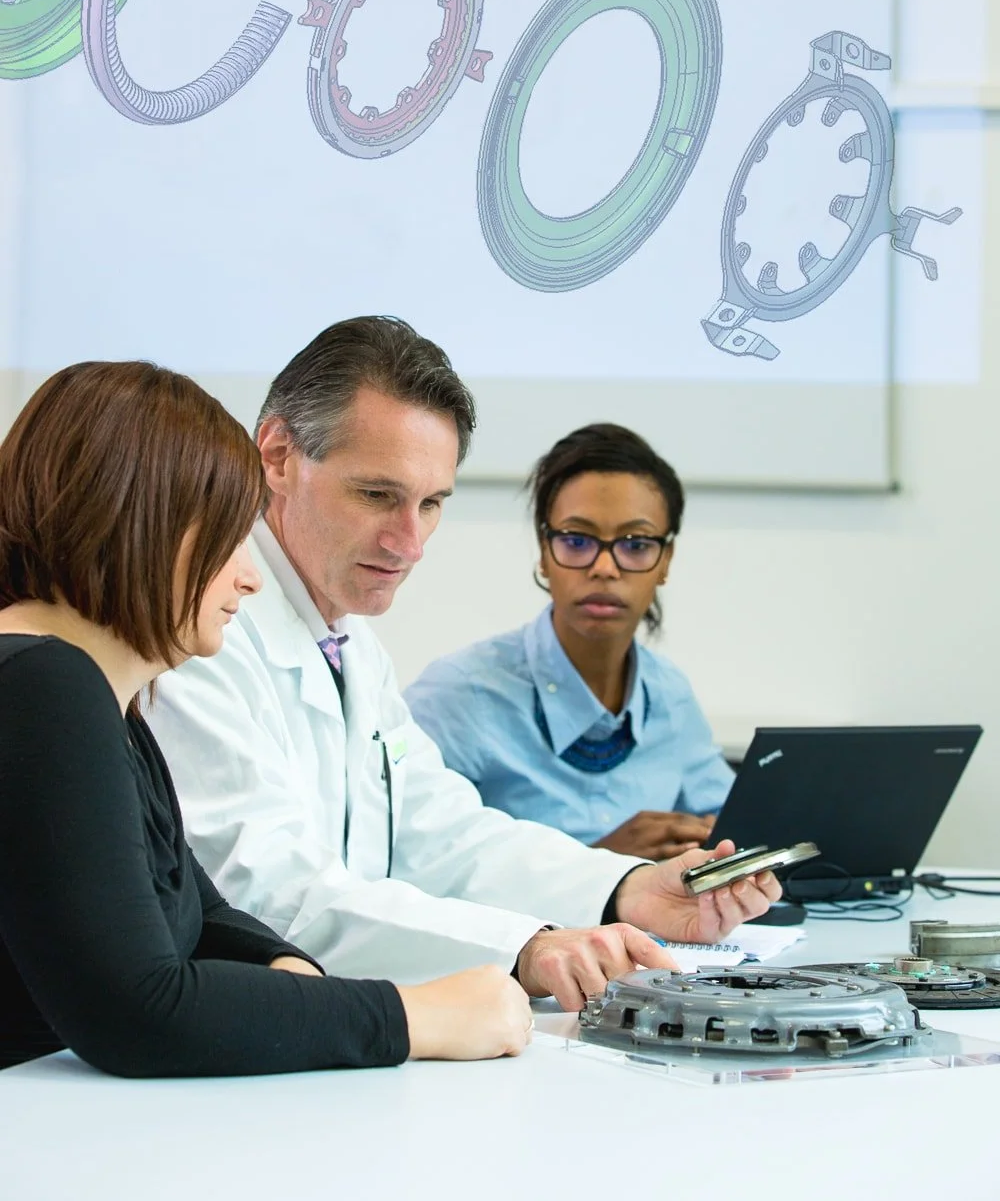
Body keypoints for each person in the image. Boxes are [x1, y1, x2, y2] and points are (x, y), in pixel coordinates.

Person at [150, 318, 779, 1005]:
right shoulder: (197, 633)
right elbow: (266, 897)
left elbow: (444, 835)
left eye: (432, 504)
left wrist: (623, 888)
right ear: (276, 454)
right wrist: (525, 949)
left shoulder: (350, 644)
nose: (409, 543)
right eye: (377, 496)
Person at [0, 360, 533, 1075]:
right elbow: (138, 1010)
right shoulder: (44, 687)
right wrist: (420, 1017)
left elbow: (202, 913)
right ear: (138, 522)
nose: (249, 575)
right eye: (225, 539)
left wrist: (287, 968)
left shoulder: (104, 700)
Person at [407, 424, 732, 862]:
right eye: (577, 541)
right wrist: (599, 865)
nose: (604, 567)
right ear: (544, 552)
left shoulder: (669, 694)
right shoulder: (460, 693)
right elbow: (407, 865)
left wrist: (721, 844)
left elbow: (736, 824)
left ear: (665, 561)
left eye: (635, 545)